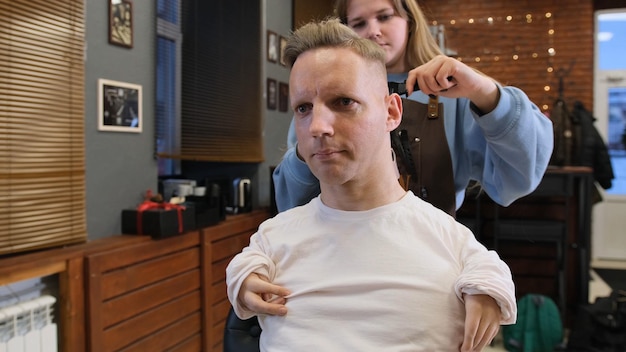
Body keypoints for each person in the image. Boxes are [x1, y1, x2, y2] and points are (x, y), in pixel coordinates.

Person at [227, 18, 516, 351]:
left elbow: (490, 269)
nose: (317, 126)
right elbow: (244, 266)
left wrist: (491, 286)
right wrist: (240, 278)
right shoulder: (270, 241)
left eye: (343, 102)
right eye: (304, 108)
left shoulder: (454, 246)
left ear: (391, 112)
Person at [272, 0, 554, 215]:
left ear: (410, 20)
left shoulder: (453, 95)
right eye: (358, 24)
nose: (373, 31)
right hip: (340, 252)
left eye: (384, 16)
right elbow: (293, 202)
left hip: (432, 256)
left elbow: (518, 178)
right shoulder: (319, 101)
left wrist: (485, 93)